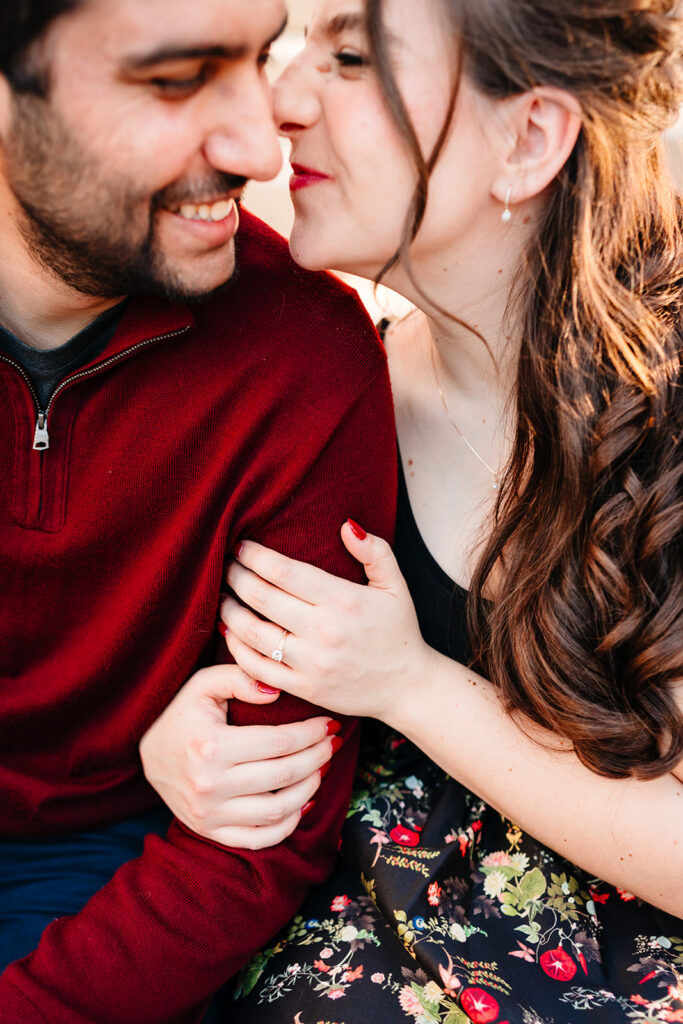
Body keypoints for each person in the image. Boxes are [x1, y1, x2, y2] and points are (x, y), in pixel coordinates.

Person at [141, 0, 683, 1020]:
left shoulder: (660, 417)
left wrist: (408, 684)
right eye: (289, 46)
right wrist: (174, 748)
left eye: (349, 57)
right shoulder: (334, 393)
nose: (280, 102)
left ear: (524, 139)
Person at [0, 0, 398, 1021]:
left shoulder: (304, 359)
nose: (262, 147)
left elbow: (254, 839)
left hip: (105, 871)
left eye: (255, 60)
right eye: (177, 79)